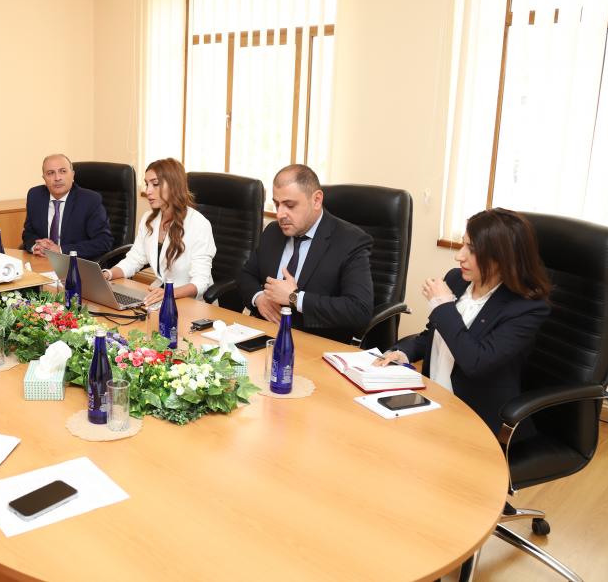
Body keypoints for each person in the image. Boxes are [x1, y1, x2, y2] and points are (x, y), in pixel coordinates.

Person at [375, 208, 551, 435]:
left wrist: (443, 306)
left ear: (502, 257)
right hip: (430, 400)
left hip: (476, 419)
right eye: (463, 244)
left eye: (472, 249)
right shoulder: (456, 279)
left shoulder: (526, 309)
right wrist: (403, 353)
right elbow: (433, 336)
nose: (459, 256)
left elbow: (476, 362)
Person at [237, 164, 373, 343]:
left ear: (316, 200)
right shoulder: (273, 232)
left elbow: (359, 311)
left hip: (314, 342)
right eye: (277, 204)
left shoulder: (350, 241)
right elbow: (246, 275)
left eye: (289, 205)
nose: (280, 214)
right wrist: (259, 298)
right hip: (266, 336)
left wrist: (294, 298)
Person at [103, 158, 215, 304]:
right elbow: (134, 259)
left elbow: (201, 281)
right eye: (147, 184)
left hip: (191, 302)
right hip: (158, 295)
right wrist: (108, 274)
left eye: (155, 184)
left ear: (174, 185)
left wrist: (169, 293)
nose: (148, 191)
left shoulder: (199, 224)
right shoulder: (149, 219)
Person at [21, 153, 113, 261]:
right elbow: (28, 232)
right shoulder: (35, 196)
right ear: (44, 178)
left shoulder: (90, 200)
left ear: (72, 175)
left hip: (76, 263)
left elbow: (104, 242)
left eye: (63, 171)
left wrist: (61, 250)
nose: (57, 178)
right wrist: (36, 246)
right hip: (42, 261)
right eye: (50, 173)